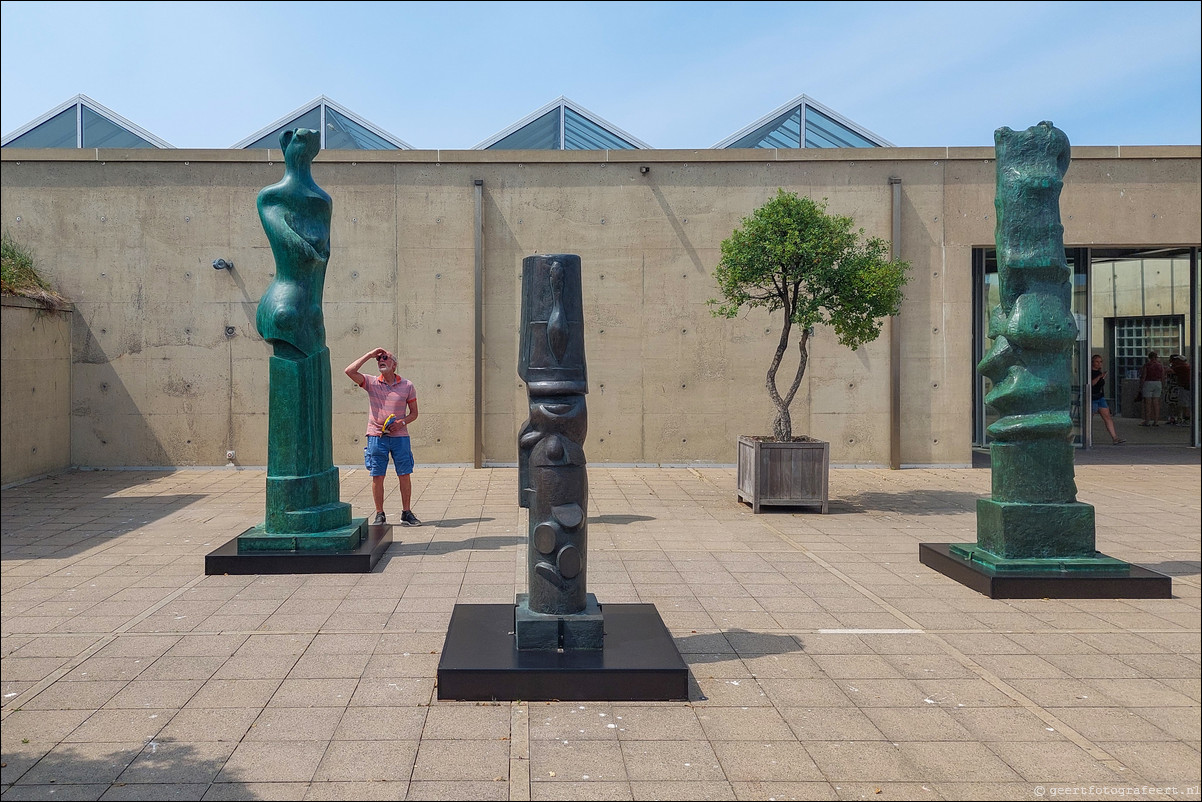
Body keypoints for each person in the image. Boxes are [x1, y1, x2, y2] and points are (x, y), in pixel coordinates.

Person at [345, 348, 421, 526]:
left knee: (404, 473)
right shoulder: (371, 382)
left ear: (394, 364)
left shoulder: (407, 386)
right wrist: (369, 354)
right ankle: (380, 513)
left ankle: (406, 512)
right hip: (376, 436)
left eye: (385, 358)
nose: (381, 360)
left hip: (400, 437)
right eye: (378, 359)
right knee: (377, 475)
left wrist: (401, 423)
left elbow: (414, 413)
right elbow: (349, 371)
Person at [1089, 354, 1125, 444]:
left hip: (1100, 397)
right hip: (1092, 398)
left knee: (1107, 417)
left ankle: (1115, 437)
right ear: (1092, 362)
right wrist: (1099, 377)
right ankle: (1087, 438)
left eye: (1100, 362)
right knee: (1089, 418)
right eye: (1097, 362)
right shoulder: (1089, 372)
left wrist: (1102, 377)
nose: (1099, 364)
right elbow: (1092, 384)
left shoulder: (1099, 372)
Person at [1139, 350, 1167, 427]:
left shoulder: (1147, 365)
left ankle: (1147, 421)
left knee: (1148, 403)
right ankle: (1156, 421)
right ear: (1156, 357)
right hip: (1158, 383)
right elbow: (1163, 376)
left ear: (1149, 357)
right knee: (1156, 403)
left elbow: (1144, 376)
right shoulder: (1160, 365)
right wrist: (1163, 385)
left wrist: (1141, 386)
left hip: (1148, 383)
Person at [1166, 354, 1192, 426]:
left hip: (1184, 387)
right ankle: (1184, 419)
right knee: (1184, 404)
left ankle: (1186, 420)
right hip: (1187, 387)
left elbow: (1168, 371)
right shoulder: (1187, 366)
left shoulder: (1181, 367)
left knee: (1185, 404)